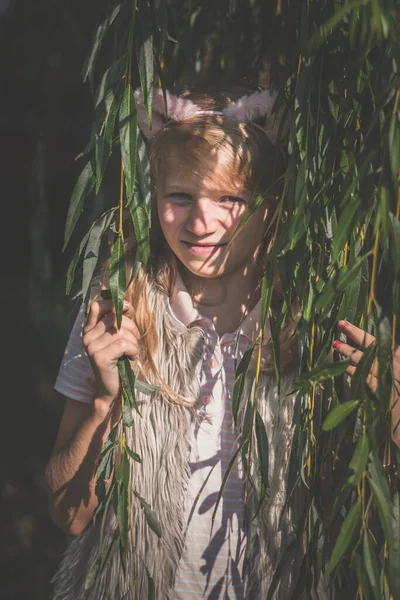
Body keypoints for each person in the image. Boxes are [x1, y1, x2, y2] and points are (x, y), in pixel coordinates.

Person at [45, 82, 400, 600]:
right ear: (155, 197)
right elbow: (67, 515)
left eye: (230, 198)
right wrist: (104, 401)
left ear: (271, 203)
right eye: (180, 196)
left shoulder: (321, 327)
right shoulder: (116, 310)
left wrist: (388, 416)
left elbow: (354, 523)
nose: (201, 223)